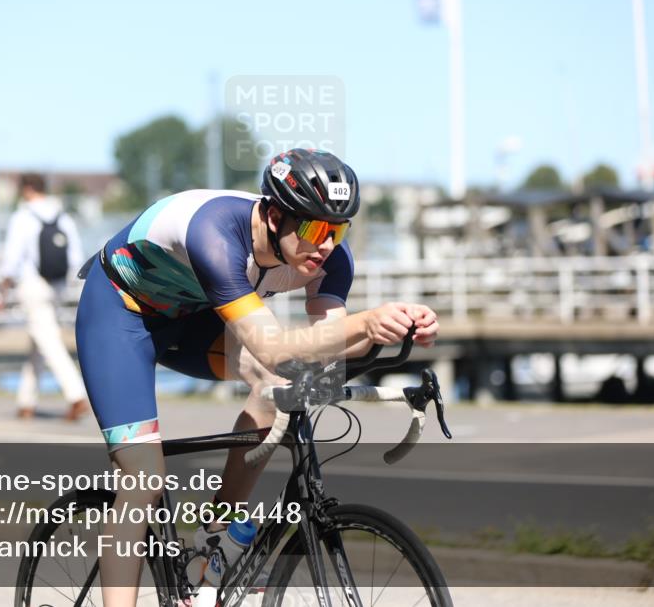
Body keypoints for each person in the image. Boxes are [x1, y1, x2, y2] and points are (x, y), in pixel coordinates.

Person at [74, 148, 440, 604]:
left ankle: (215, 537)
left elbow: (326, 347)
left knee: (277, 387)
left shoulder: (330, 258)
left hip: (193, 319)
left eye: (338, 230)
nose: (326, 244)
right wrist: (365, 323)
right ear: (273, 216)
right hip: (120, 316)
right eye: (314, 229)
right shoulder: (215, 234)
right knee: (143, 478)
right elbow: (272, 347)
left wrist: (398, 328)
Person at [0, 173, 90, 421]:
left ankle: (76, 395)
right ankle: (26, 402)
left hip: (33, 284)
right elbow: (75, 257)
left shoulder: (23, 217)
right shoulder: (63, 216)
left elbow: (12, 256)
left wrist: (5, 284)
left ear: (27, 189)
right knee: (38, 340)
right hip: (57, 285)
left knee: (47, 341)